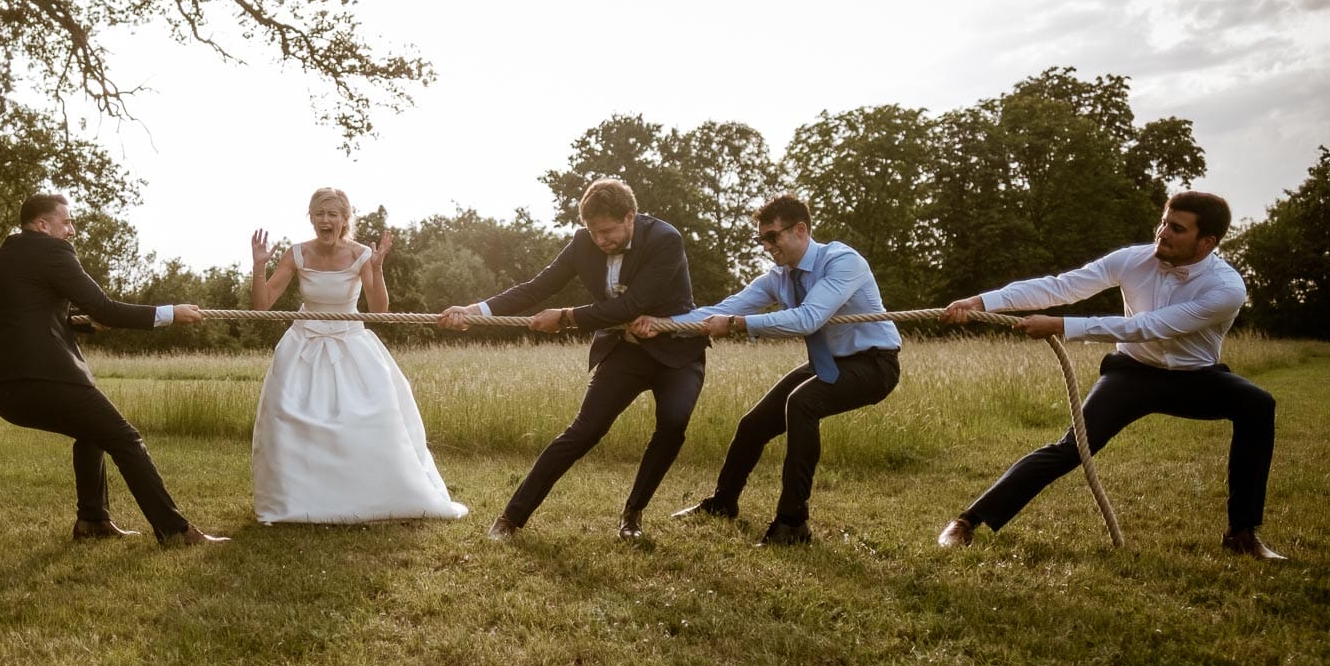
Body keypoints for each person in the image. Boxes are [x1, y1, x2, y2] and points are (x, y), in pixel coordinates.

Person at [936, 191, 1283, 560]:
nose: (1162, 233)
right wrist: (981, 302)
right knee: (1071, 448)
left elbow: (1149, 326)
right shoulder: (1132, 259)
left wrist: (1062, 326)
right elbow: (1061, 286)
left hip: (1195, 377)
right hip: (1132, 373)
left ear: (1207, 242)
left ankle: (1242, 534)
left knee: (1257, 405)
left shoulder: (1226, 289)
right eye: (1163, 222)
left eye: (1176, 228)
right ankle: (968, 521)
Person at [439, 177, 707, 540]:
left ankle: (633, 514)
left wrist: (566, 317)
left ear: (630, 217)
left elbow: (633, 305)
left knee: (673, 423)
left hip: (676, 350)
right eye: (594, 232)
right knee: (584, 431)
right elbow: (538, 286)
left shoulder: (665, 239)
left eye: (608, 231)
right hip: (624, 350)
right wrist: (477, 310)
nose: (601, 240)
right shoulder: (584, 243)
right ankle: (510, 518)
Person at [632, 194, 901, 546]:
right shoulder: (779, 278)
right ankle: (723, 503)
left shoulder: (842, 261)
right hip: (828, 363)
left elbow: (808, 319)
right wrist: (663, 324)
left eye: (773, 236)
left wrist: (740, 324)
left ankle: (793, 524)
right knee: (753, 424)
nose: (767, 246)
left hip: (874, 363)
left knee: (802, 404)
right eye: (762, 239)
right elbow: (723, 309)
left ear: (800, 230)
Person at [0, 194, 226, 545]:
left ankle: (92, 521)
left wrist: (85, 326)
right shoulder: (52, 251)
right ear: (43, 225)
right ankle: (175, 532)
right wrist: (170, 313)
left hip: (2, 389)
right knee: (126, 439)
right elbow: (105, 308)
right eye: (66, 222)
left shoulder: (6, 255)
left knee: (92, 433)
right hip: (44, 378)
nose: (72, 230)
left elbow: (29, 314)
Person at [248, 188, 467, 524]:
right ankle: (296, 499)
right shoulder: (295, 254)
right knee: (287, 416)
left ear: (344, 220)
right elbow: (262, 306)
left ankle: (370, 494)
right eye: (320, 213)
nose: (326, 220)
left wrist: (377, 269)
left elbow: (379, 311)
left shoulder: (362, 254)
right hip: (303, 345)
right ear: (311, 217)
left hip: (350, 344)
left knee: (367, 416)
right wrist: (259, 267)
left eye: (333, 214)